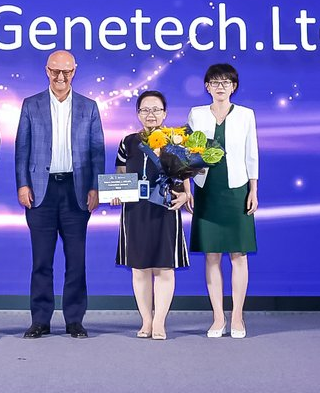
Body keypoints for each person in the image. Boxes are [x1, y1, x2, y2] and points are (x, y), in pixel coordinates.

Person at [15, 49, 105, 338]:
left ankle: (74, 320)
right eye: (55, 70)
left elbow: (97, 153)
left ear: (74, 71)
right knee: (41, 261)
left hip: (76, 192)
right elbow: (22, 149)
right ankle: (40, 320)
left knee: (76, 260)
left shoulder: (89, 107)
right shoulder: (31, 105)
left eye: (66, 71)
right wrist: (22, 184)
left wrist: (95, 187)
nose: (61, 76)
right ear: (47, 71)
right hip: (40, 192)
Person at [188, 63, 258, 338]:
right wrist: (186, 188)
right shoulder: (196, 114)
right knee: (212, 255)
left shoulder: (246, 115)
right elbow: (188, 156)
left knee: (239, 254)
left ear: (234, 87)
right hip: (206, 189)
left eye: (225, 82)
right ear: (207, 87)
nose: (220, 86)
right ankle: (218, 317)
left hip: (237, 189)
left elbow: (251, 154)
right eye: (215, 82)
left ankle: (237, 316)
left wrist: (253, 190)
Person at [114, 90, 190, 340]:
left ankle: (159, 322)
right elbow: (120, 172)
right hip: (135, 211)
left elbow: (186, 175)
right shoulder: (128, 142)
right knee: (140, 269)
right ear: (138, 114)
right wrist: (116, 192)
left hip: (165, 209)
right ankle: (146, 321)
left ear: (165, 113)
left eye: (156, 109)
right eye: (145, 110)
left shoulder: (176, 141)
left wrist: (186, 195)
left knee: (164, 269)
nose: (151, 114)